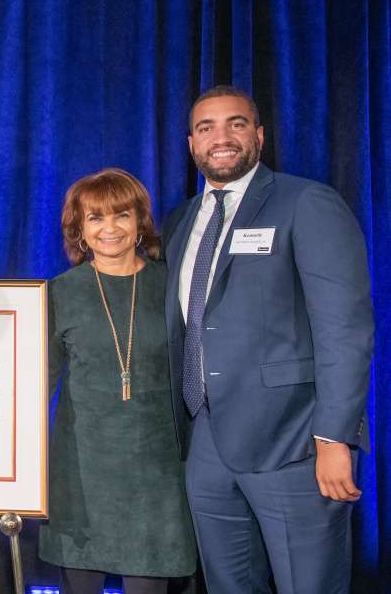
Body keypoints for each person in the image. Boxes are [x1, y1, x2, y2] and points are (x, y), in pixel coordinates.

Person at [162, 85, 373, 593]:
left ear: (258, 135)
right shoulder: (181, 220)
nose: (222, 137)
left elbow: (345, 328)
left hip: (294, 444)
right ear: (192, 144)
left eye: (236, 123)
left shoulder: (307, 202)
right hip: (205, 442)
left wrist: (334, 438)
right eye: (206, 127)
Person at [40, 168, 197, 594]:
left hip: (157, 476)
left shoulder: (172, 287)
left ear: (139, 222)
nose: (109, 228)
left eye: (121, 215)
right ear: (80, 230)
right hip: (82, 475)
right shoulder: (58, 292)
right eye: (95, 218)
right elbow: (33, 388)